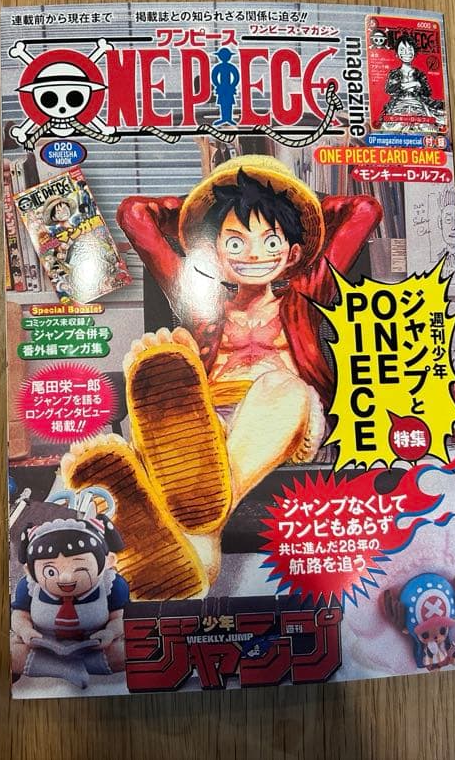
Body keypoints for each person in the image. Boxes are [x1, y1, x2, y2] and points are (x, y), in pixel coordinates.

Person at [60, 156, 382, 594]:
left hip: (282, 420)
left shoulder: (309, 292)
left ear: (292, 254)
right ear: (212, 251)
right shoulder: (201, 301)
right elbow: (134, 214)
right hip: (202, 427)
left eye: (271, 241)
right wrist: (200, 210)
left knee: (280, 386)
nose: (253, 254)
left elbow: (365, 209)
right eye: (234, 242)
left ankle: (196, 523)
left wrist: (292, 199)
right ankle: (197, 547)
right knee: (162, 407)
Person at [10, 516, 129, 688]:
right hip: (44, 647)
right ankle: (62, 669)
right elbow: (20, 615)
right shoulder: (29, 586)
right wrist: (25, 630)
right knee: (10, 653)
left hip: (94, 646)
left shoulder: (111, 584)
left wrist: (110, 632)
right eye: (51, 571)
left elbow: (120, 617)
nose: (65, 578)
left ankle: (81, 666)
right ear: (30, 570)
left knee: (127, 652)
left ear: (108, 562)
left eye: (79, 568)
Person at [380, 35, 447, 132]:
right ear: (397, 54)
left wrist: (413, 85)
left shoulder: (419, 74)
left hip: (418, 105)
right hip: (398, 105)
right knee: (390, 129)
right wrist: (414, 84)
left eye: (410, 49)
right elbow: (389, 89)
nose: (406, 53)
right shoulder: (394, 73)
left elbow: (427, 92)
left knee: (427, 129)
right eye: (402, 50)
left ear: (414, 52)